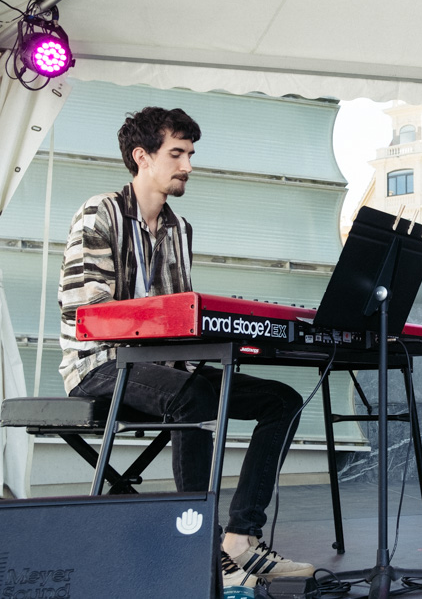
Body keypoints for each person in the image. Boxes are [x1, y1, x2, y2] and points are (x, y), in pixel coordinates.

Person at [58, 107, 314, 588]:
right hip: (100, 365)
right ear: (142, 157)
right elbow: (85, 313)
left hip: (167, 368)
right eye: (177, 154)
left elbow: (183, 316)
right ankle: (200, 547)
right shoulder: (100, 213)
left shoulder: (179, 230)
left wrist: (226, 333)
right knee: (191, 396)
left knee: (283, 400)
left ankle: (240, 539)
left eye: (190, 154)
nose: (188, 166)